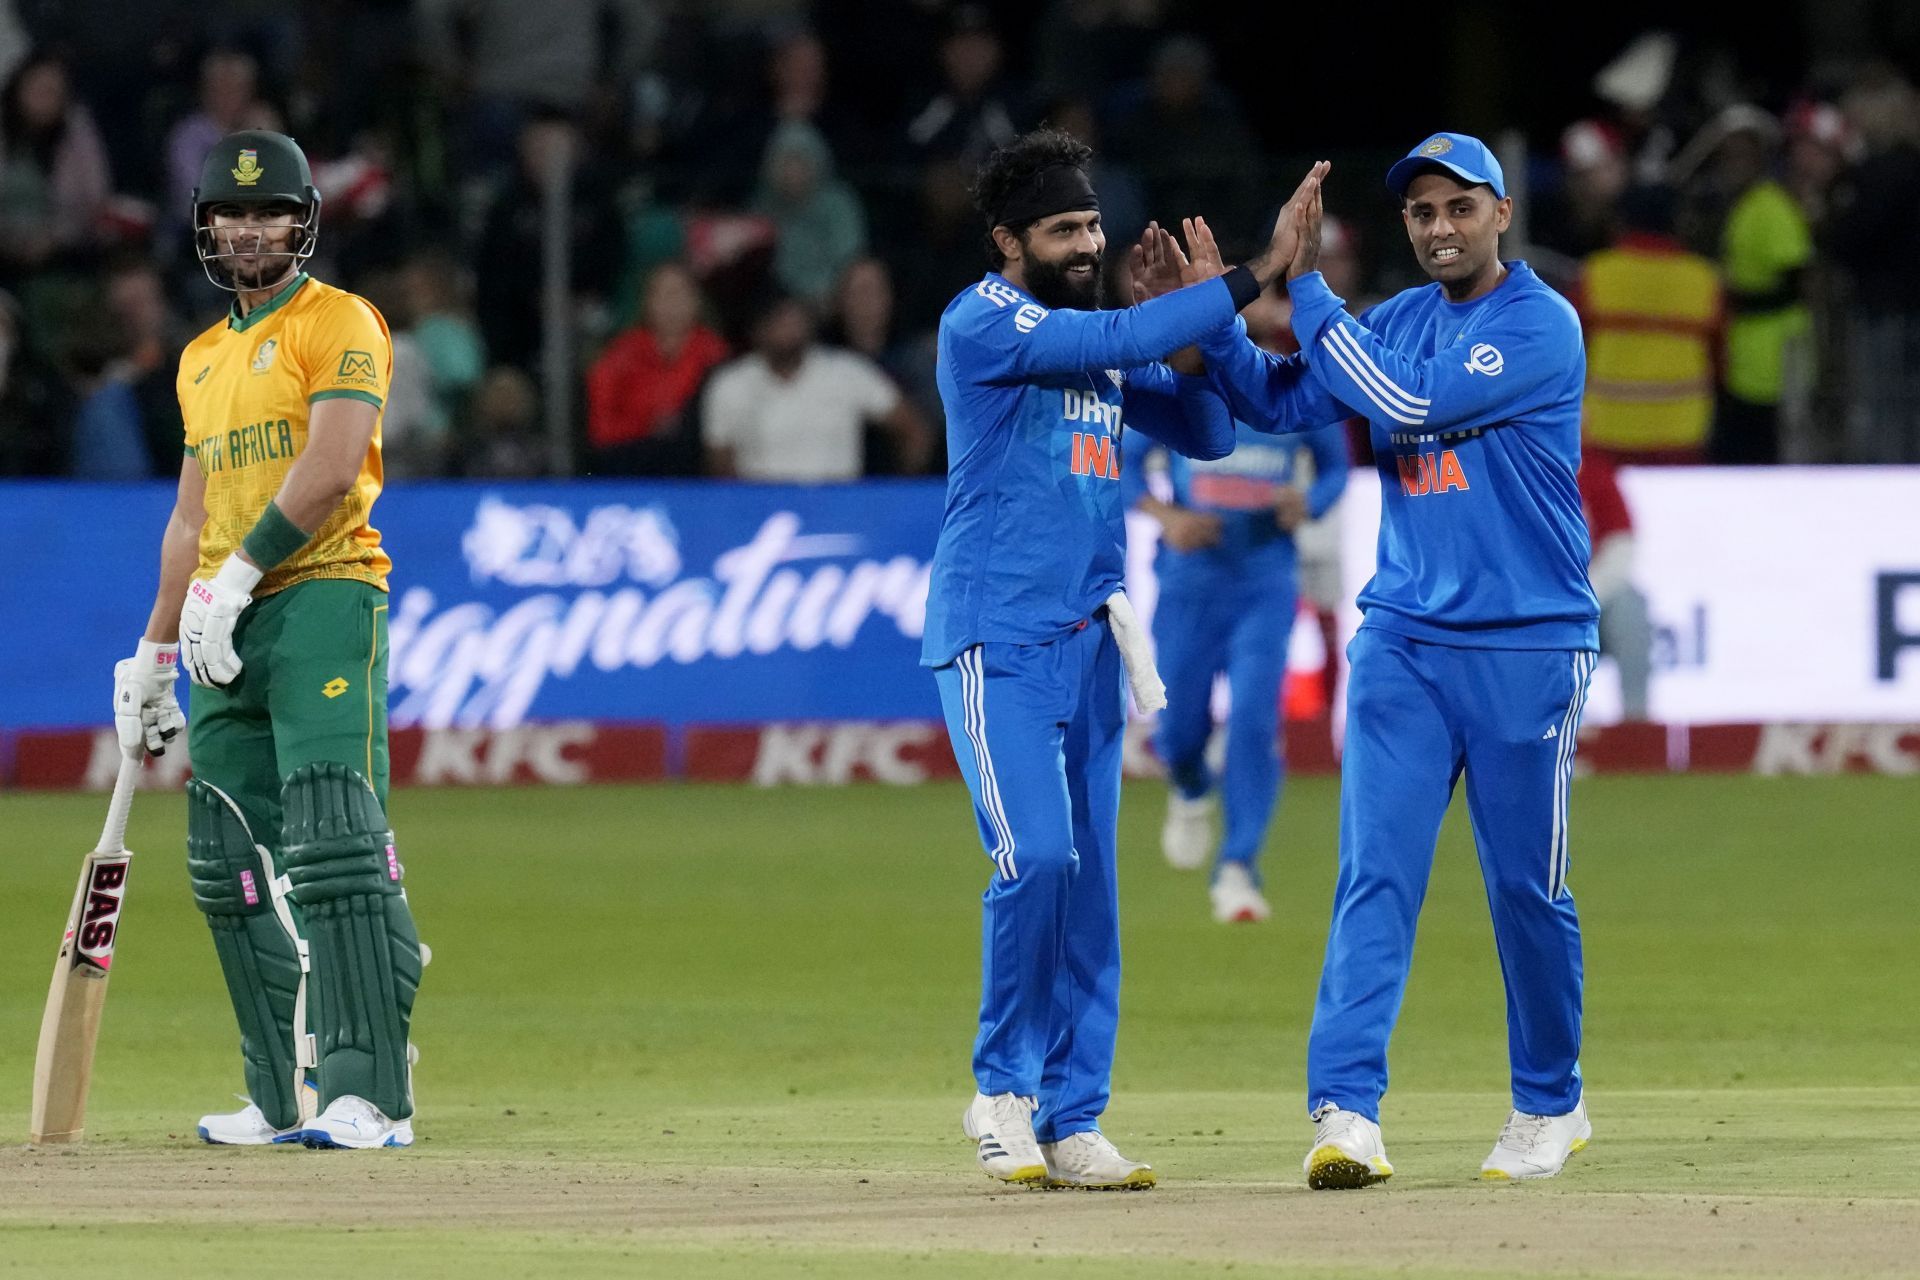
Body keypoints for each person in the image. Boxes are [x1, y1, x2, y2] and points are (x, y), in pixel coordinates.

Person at [1188, 133, 1599, 1187]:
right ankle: (1346, 1110)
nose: (1439, 227)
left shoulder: (1539, 326)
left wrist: (1308, 283)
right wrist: (1217, 317)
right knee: (1374, 874)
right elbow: (1283, 402)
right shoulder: (1403, 319)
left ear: (1501, 213)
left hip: (1527, 640)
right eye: (1420, 213)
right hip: (1404, 638)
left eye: (1458, 207)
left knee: (1525, 886)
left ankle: (1551, 1102)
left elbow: (1408, 405)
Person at [924, 124, 1324, 1190]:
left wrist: (1187, 343)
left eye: (1093, 223)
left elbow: (1205, 431)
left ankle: (1074, 1115)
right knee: (1038, 857)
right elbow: (1106, 341)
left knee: (1092, 886)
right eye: (1061, 229)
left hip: (1091, 647)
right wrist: (1255, 274)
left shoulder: (1099, 337)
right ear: (1009, 240)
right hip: (995, 636)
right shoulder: (986, 321)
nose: (1086, 244)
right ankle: (1001, 1090)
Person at [111, 130, 424, 1151]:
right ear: (206, 230)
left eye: (270, 213)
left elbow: (333, 464)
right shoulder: (200, 360)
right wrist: (155, 651)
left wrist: (239, 578)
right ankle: (277, 1095)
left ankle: (369, 1092)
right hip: (216, 623)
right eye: (231, 216)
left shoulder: (340, 322)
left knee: (331, 839)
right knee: (226, 854)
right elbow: (187, 521)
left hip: (323, 593)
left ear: (303, 222)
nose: (251, 231)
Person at [1128, 339, 1347, 924]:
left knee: (1254, 718)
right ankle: (1192, 785)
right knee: (1175, 728)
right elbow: (1121, 463)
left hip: (1265, 581)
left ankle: (1238, 867)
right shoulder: (1181, 387)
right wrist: (1167, 517)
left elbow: (1335, 467)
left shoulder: (1292, 392)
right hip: (1189, 584)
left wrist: (1309, 502)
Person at [701, 292, 926, 481]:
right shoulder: (730, 383)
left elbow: (914, 430)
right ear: (758, 329)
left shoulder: (847, 372)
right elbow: (719, 464)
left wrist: (896, 497)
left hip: (841, 511)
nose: (788, 328)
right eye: (778, 320)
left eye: (794, 319)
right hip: (763, 516)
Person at [587, 260, 727, 475]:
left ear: (697, 300)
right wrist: (647, 426)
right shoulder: (620, 354)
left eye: (679, 293)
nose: (671, 303)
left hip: (694, 467)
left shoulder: (716, 356)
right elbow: (601, 429)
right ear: (646, 302)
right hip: (633, 462)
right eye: (662, 294)